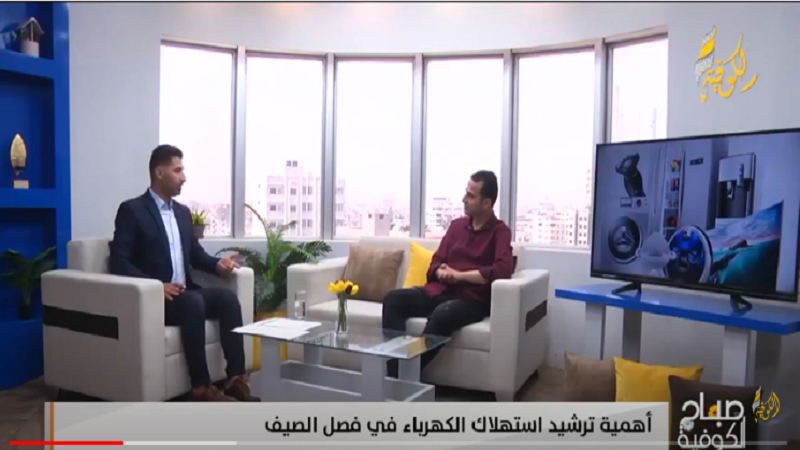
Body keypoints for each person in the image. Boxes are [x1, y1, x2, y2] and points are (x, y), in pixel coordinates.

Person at [109, 144, 258, 402]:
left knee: (227, 300)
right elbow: (119, 262)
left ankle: (235, 378)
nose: (184, 177)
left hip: (186, 293)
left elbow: (195, 254)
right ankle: (200, 387)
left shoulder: (182, 213)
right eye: (177, 170)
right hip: (156, 299)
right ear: (159, 172)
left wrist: (217, 265)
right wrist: (156, 286)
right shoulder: (132, 211)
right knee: (193, 303)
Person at [381, 170, 513, 377]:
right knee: (393, 299)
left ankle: (404, 373)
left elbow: (503, 270)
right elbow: (435, 262)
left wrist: (459, 276)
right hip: (440, 290)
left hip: (471, 300)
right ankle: (393, 371)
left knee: (444, 313)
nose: (464, 199)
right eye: (466, 193)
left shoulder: (500, 232)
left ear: (487, 203)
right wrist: (440, 271)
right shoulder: (456, 226)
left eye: (471, 196)